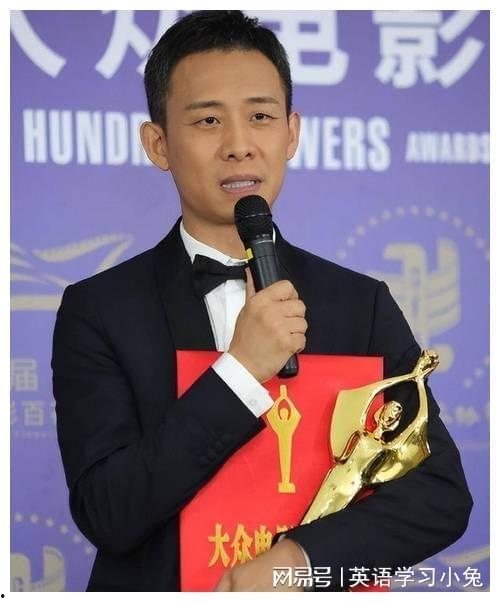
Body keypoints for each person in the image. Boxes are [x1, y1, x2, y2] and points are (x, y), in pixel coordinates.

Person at [51, 10, 472, 592]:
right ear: (158, 143)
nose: (239, 146)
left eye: (260, 117)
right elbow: (108, 512)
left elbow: (439, 492)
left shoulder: (361, 305)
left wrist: (298, 562)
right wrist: (241, 371)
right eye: (207, 120)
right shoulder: (100, 310)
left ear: (291, 133)